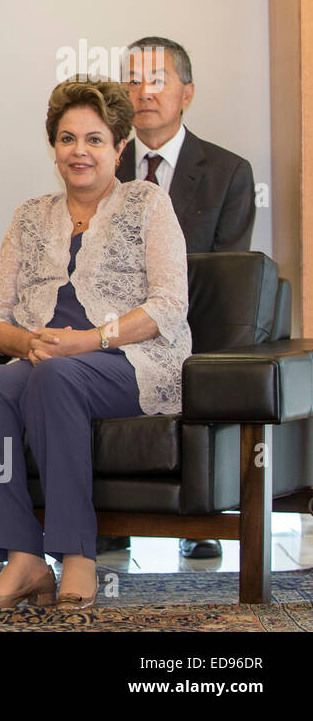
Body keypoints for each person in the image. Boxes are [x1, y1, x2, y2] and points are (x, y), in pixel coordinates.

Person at [0, 76, 190, 611]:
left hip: (132, 359)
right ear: (53, 147)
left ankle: (77, 554)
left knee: (56, 377)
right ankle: (24, 558)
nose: (78, 152)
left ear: (119, 148)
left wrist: (87, 340)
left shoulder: (148, 205)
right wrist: (25, 340)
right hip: (47, 359)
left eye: (93, 140)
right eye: (67, 139)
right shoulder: (29, 216)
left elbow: (169, 307)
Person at [117, 36, 255, 560]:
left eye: (158, 80)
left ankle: (199, 517)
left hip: (190, 335)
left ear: (187, 93)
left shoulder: (227, 173)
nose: (144, 92)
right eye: (133, 80)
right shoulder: (102, 161)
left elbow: (224, 282)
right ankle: (107, 518)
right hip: (111, 333)